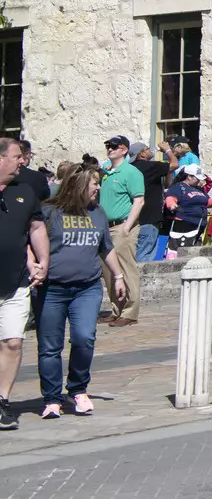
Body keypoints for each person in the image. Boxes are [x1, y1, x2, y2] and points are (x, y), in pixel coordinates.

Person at [38, 163, 122, 419]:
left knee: (84, 338)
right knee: (50, 347)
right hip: (52, 289)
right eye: (94, 183)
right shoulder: (49, 211)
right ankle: (52, 398)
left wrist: (118, 276)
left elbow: (105, 248)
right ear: (78, 184)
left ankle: (77, 389)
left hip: (87, 288)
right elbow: (33, 242)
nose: (98, 187)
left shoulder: (98, 213)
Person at [0, 137, 50, 431]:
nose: (23, 161)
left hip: (16, 282)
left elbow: (36, 227)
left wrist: (42, 260)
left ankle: (2, 400)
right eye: (18, 156)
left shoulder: (25, 191)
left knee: (14, 342)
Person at [96, 137, 145, 327]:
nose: (110, 149)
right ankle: (117, 308)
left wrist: (127, 226)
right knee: (108, 269)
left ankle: (130, 311)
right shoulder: (106, 172)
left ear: (124, 150)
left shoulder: (131, 172)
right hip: (106, 226)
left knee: (125, 267)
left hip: (122, 225)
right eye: (108, 146)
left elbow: (138, 200)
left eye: (114, 147)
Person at [131, 143, 167, 266]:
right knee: (145, 256)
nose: (149, 150)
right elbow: (174, 164)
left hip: (133, 220)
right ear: (142, 154)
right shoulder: (150, 167)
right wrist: (167, 150)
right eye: (147, 148)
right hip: (149, 219)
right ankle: (139, 283)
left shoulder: (129, 168)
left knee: (137, 253)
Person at [165, 167, 209, 251]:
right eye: (197, 178)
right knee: (182, 250)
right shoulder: (178, 187)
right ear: (189, 177)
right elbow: (170, 197)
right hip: (184, 223)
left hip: (199, 224)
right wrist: (172, 205)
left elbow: (205, 201)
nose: (199, 181)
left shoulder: (199, 188)